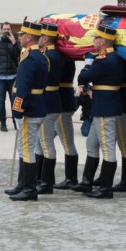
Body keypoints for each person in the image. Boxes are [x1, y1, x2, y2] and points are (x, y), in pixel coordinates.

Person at [72, 24, 125, 199]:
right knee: (92, 144)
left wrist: (88, 64)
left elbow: (83, 77)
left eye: (95, 38)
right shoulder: (114, 57)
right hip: (102, 106)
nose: (94, 41)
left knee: (107, 148)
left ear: (102, 41)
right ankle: (87, 182)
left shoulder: (105, 60)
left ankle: (105, 188)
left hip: (105, 108)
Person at [4, 21, 49, 201]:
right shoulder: (39, 56)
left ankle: (29, 189)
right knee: (25, 148)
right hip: (35, 106)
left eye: (21, 35)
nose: (19, 37)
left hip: (29, 108)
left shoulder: (31, 58)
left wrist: (17, 110)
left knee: (27, 148)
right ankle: (23, 184)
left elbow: (23, 87)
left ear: (29, 37)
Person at [35, 23, 64, 195]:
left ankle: (47, 182)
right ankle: (39, 177)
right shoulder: (52, 54)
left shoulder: (49, 57)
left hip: (48, 102)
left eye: (39, 37)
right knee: (40, 141)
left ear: (45, 39)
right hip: (47, 101)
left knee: (46, 142)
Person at [53, 51, 80, 190]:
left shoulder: (62, 59)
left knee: (67, 143)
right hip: (63, 104)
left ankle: (71, 178)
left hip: (62, 106)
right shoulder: (66, 58)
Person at [0, 22, 20, 132]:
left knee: (14, 101)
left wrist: (14, 42)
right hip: (0, 77)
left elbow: (19, 54)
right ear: (1, 30)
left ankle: (16, 122)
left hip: (12, 76)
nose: (6, 31)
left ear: (11, 30)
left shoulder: (14, 41)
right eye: (4, 29)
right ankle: (2, 122)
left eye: (8, 29)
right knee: (1, 100)